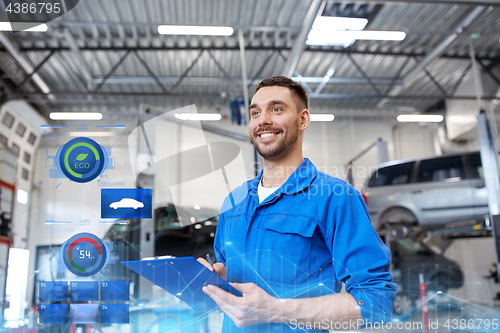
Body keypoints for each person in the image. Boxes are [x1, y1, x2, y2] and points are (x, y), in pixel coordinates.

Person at [198, 76, 396, 332]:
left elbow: (376, 302)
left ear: (303, 120)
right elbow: (230, 273)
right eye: (255, 112)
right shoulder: (233, 202)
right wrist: (219, 280)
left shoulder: (334, 197)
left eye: (276, 109)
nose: (263, 120)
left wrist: (274, 309)